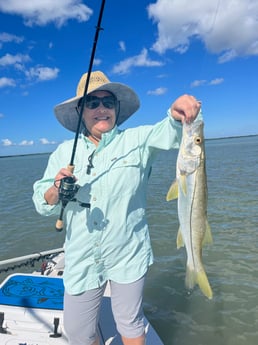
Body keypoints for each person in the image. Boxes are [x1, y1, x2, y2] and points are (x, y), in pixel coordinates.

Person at [32, 70, 201, 345]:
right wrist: (55, 190)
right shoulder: (63, 152)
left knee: (130, 323)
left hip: (129, 252)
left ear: (117, 108)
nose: (101, 109)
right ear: (80, 110)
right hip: (82, 258)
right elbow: (42, 202)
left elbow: (172, 131)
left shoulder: (138, 140)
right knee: (78, 333)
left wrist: (180, 112)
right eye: (92, 102)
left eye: (108, 102)